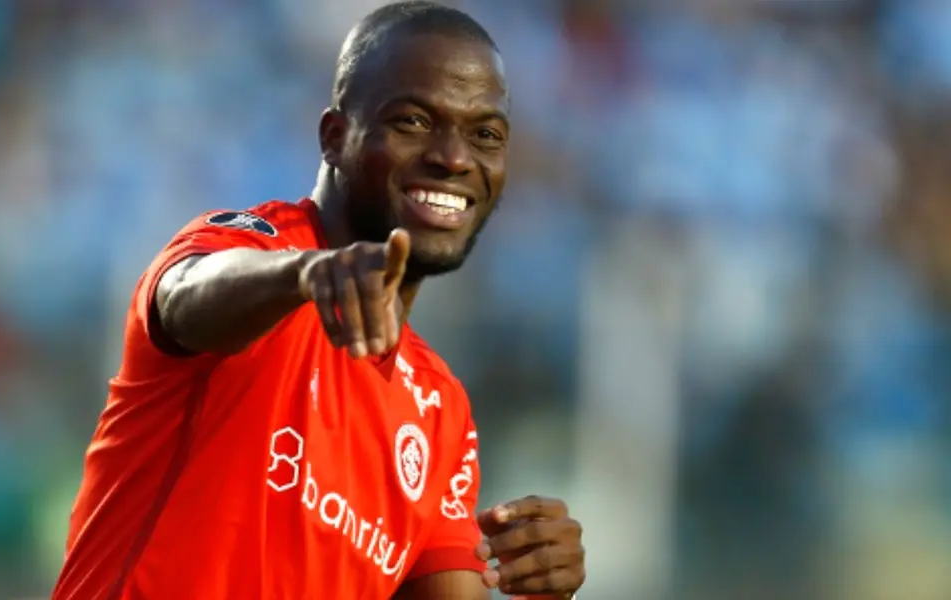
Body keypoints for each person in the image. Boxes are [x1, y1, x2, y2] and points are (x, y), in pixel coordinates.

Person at [51, 2, 586, 599]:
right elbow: (184, 296)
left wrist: (539, 588)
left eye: (485, 135)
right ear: (334, 137)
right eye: (413, 121)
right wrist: (304, 275)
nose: (454, 158)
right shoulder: (257, 257)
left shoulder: (442, 412)